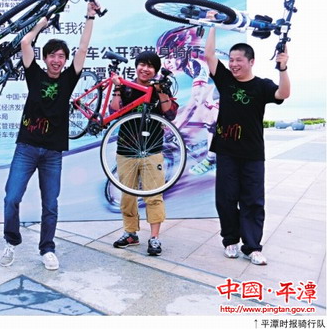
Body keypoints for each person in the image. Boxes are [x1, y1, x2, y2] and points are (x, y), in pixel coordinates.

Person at [0, 1, 99, 270]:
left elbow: (84, 48)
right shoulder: (34, 75)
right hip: (27, 147)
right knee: (12, 198)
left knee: (50, 204)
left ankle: (47, 248)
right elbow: (25, 43)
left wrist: (89, 16)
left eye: (61, 56)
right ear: (45, 59)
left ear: (65, 60)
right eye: (52, 55)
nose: (57, 60)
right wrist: (43, 21)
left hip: (53, 153)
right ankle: (11, 241)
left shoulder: (68, 80)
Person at [205, 25, 290, 265]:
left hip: (253, 153)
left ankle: (252, 247)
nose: (233, 64)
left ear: (251, 61)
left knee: (253, 200)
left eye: (238, 60)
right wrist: (212, 24)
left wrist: (283, 67)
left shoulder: (261, 86)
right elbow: (209, 55)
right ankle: (230, 241)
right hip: (226, 151)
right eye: (231, 60)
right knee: (226, 198)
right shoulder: (224, 79)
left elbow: (283, 94)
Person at [110, 51, 178, 256]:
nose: (145, 69)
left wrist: (162, 91)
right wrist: (117, 88)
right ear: (136, 66)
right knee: (127, 196)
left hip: (152, 150)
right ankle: (130, 233)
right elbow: (114, 111)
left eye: (150, 66)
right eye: (142, 64)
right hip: (126, 150)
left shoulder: (159, 89)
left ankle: (155, 238)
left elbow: (171, 114)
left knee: (153, 195)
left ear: (155, 71)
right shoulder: (128, 87)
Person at [156, 26, 219, 175]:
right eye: (164, 56)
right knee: (185, 111)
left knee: (209, 111)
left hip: (230, 86)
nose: (167, 62)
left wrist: (176, 128)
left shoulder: (198, 60)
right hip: (215, 85)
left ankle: (211, 159)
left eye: (170, 56)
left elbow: (194, 102)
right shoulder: (182, 60)